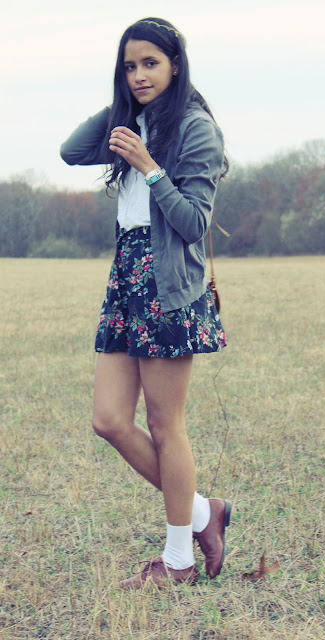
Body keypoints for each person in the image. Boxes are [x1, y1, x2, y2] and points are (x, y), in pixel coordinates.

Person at [60, 17, 231, 589]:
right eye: (129, 66)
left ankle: (178, 559)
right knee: (109, 419)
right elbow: (70, 151)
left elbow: (193, 222)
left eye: (151, 64)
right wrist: (122, 103)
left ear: (176, 66)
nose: (139, 75)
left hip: (167, 283)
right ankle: (204, 513)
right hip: (126, 279)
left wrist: (150, 168)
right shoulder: (132, 121)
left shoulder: (196, 130)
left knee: (164, 423)